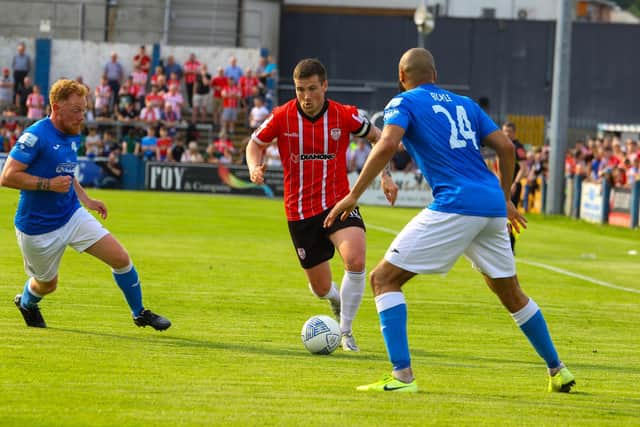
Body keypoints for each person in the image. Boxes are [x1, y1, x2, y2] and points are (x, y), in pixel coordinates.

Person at [325, 48, 575, 393]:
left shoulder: (404, 103)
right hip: (490, 206)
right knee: (511, 293)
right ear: (435, 73)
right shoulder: (467, 105)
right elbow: (505, 147)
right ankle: (558, 369)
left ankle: (402, 376)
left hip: (456, 204)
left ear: (401, 76)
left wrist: (354, 194)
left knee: (383, 279)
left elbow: (387, 144)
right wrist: (505, 198)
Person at [246, 58, 397, 352]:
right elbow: (254, 144)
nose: (306, 97)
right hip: (299, 211)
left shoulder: (345, 115)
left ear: (324, 86)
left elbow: (379, 139)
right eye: (300, 89)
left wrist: (386, 176)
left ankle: (346, 332)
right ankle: (334, 299)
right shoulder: (281, 116)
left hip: (338, 203)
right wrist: (255, 166)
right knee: (319, 287)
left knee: (355, 260)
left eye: (312, 89)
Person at [0, 79, 170, 330]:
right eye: (76, 110)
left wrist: (86, 199)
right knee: (47, 284)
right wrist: (47, 184)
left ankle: (139, 312)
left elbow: (66, 173)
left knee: (121, 258)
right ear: (56, 108)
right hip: (37, 228)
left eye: (84, 110)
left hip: (71, 215)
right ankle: (27, 302)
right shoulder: (35, 136)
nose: (82, 117)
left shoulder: (72, 132)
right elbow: (7, 176)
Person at [502, 121, 528, 254]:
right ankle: (503, 245)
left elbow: (524, 168)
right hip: (502, 186)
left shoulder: (517, 147)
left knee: (510, 215)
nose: (506, 134)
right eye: (504, 131)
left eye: (509, 132)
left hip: (512, 187)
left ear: (514, 133)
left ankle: (510, 246)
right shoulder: (502, 145)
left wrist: (515, 183)